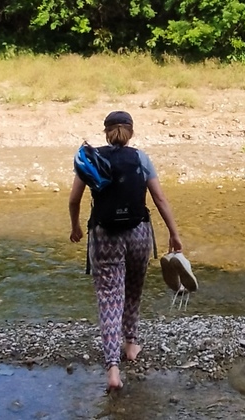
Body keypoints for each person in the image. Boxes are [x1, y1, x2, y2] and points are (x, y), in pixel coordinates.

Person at [68, 110, 183, 392]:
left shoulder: (91, 158)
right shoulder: (141, 159)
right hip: (139, 233)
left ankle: (113, 370)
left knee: (109, 299)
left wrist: (75, 228)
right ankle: (131, 345)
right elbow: (159, 198)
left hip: (104, 234)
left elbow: (74, 200)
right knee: (132, 290)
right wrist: (174, 233)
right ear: (131, 132)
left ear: (106, 132)